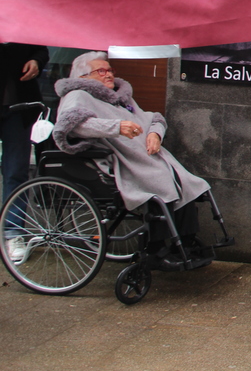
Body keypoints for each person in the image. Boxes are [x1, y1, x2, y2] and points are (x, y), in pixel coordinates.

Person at [52, 52, 212, 267]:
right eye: (101, 71)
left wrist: (155, 134)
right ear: (83, 77)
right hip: (117, 161)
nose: (109, 74)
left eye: (110, 70)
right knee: (159, 183)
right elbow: (73, 125)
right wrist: (116, 127)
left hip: (145, 157)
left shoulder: (120, 98)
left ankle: (186, 242)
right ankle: (156, 250)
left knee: (186, 183)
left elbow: (152, 118)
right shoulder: (78, 96)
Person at [2, 42, 48, 264]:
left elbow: (41, 47)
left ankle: (13, 232)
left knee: (16, 170)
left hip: (18, 103)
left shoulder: (21, 22)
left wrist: (37, 61)